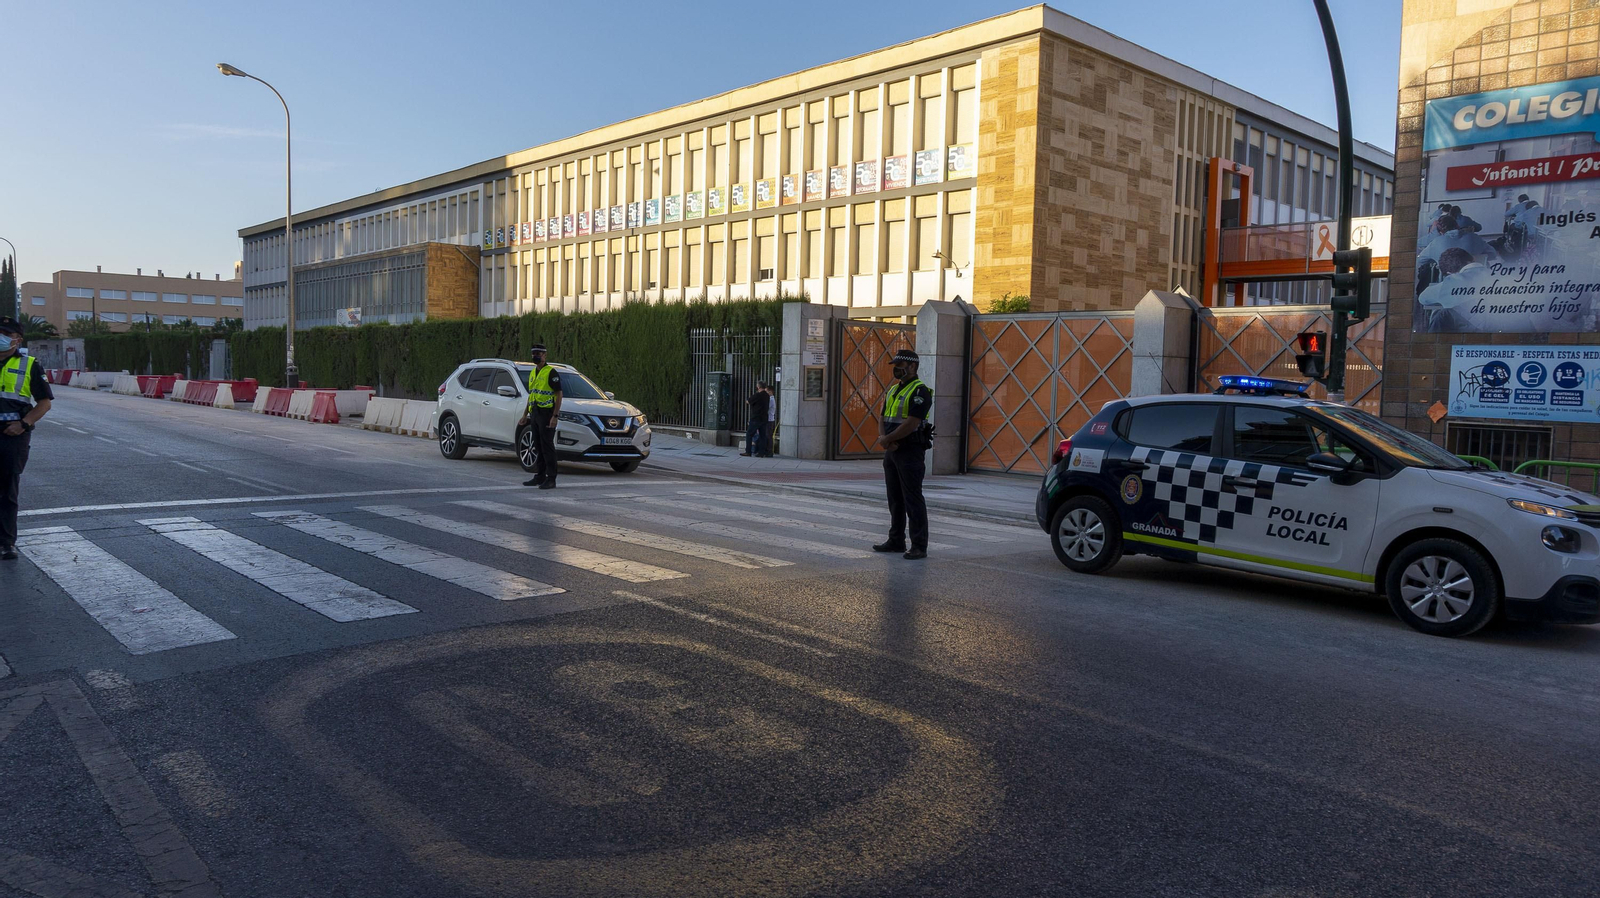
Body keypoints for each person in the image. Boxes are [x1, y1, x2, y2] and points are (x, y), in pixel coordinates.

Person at [873, 348, 933, 560]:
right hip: (892, 451)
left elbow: (912, 423)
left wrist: (888, 440)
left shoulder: (920, 391)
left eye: (900, 366)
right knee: (895, 499)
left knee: (912, 499)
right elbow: (881, 415)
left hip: (910, 451)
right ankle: (896, 540)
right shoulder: (892, 390)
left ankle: (919, 545)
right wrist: (884, 439)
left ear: (913, 367)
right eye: (895, 366)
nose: (896, 370)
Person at [0, 317, 52, 560]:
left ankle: (6, 543)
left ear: (17, 339)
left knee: (7, 491)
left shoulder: (29, 365)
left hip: (12, 435)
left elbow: (44, 404)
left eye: (5, 333)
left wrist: (23, 424)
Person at [517, 342, 562, 490]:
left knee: (547, 446)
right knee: (537, 445)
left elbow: (559, 394)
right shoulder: (532, 372)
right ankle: (540, 476)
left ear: (545, 355)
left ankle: (551, 478)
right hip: (535, 413)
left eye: (538, 354)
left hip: (547, 413)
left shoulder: (551, 372)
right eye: (534, 354)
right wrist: (525, 414)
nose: (535, 356)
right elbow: (532, 395)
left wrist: (555, 416)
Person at [742, 382, 769, 457]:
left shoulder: (757, 395)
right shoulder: (767, 395)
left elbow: (748, 401)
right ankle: (761, 452)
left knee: (749, 434)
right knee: (762, 435)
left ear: (758, 387)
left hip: (756, 418)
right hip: (764, 418)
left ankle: (748, 451)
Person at [761, 382, 777, 458]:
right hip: (769, 419)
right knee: (767, 435)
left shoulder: (771, 400)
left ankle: (769, 451)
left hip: (769, 420)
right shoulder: (770, 399)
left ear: (770, 391)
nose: (766, 393)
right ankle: (767, 450)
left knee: (768, 436)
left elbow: (766, 408)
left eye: (767, 391)